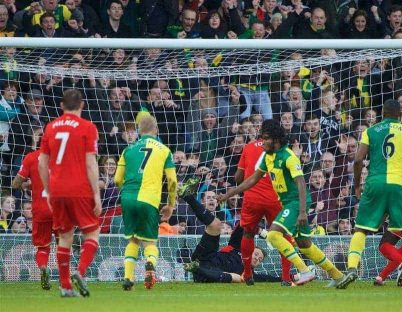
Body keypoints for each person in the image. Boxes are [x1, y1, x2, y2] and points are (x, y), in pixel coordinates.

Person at [218, 120, 344, 286]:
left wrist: (302, 212)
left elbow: (301, 183)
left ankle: (304, 270)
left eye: (266, 139)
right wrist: (229, 193)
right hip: (288, 203)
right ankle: (338, 275)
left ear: (276, 139)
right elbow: (252, 180)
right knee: (305, 244)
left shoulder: (289, 157)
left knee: (273, 235)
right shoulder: (269, 157)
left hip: (296, 203)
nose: (262, 143)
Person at [336, 99, 402, 290]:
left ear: (382, 113)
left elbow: (358, 160)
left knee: (361, 229)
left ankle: (351, 268)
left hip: (375, 183)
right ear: (400, 114)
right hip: (399, 186)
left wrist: (357, 186)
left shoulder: (370, 131)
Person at [38, 89, 101, 298]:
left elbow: (42, 163)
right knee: (92, 232)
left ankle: (65, 286)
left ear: (61, 106)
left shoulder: (50, 127)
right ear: (82, 105)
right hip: (80, 189)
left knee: (64, 237)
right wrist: (97, 195)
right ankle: (81, 272)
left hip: (57, 191)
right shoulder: (88, 127)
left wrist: (48, 191)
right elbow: (91, 164)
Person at [114, 115, 177, 291]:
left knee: (133, 240)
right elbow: (172, 181)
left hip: (128, 197)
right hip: (149, 199)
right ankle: (150, 263)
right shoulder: (164, 150)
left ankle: (128, 278)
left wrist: (126, 193)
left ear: (138, 131)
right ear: (156, 130)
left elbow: (117, 178)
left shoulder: (128, 150)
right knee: (150, 243)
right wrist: (170, 204)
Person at [178, 189, 278, 283]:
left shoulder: (249, 273)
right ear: (250, 248)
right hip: (206, 257)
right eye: (256, 254)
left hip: (209, 274)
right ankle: (187, 196)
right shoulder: (236, 247)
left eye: (259, 259)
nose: (257, 259)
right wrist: (259, 226)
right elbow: (242, 225)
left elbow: (269, 278)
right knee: (216, 225)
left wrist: (291, 277)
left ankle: (196, 269)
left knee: (238, 278)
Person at [232, 138, 292, 285]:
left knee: (248, 233)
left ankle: (247, 272)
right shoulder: (281, 148)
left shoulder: (248, 147)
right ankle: (286, 277)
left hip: (252, 197)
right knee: (283, 235)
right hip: (275, 198)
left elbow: (238, 178)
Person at [11, 141, 53, 290]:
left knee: (42, 247)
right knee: (64, 244)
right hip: (60, 208)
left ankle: (43, 268)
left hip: (41, 209)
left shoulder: (31, 157)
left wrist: (29, 184)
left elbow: (16, 184)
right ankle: (65, 279)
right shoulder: (62, 158)